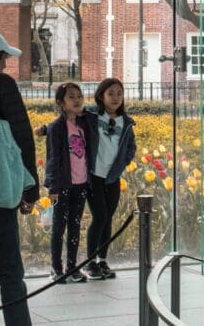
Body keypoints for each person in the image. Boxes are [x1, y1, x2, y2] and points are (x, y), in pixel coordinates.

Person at [0, 29, 38, 326]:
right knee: (9, 273)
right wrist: (30, 191)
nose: (4, 66)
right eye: (3, 59)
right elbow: (22, 138)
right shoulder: (2, 85)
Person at [43, 82, 96, 284]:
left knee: (75, 226)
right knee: (59, 228)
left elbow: (93, 114)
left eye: (79, 96)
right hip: (63, 185)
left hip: (81, 184)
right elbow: (53, 159)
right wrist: (53, 187)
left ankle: (72, 267)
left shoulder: (83, 124)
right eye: (71, 97)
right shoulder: (56, 128)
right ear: (61, 103)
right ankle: (56, 269)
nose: (77, 100)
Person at [82, 78, 135, 280]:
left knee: (108, 219)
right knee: (100, 217)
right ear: (101, 96)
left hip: (112, 178)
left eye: (119, 94)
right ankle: (89, 263)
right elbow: (67, 121)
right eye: (111, 94)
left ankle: (101, 260)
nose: (115, 98)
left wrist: (123, 162)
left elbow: (131, 147)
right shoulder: (90, 115)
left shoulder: (127, 122)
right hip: (94, 176)